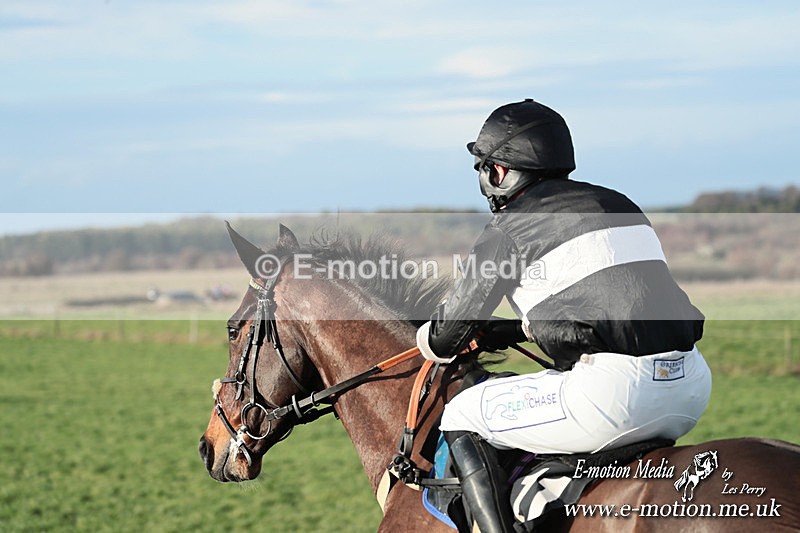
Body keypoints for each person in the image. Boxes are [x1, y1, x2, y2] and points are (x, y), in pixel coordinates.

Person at [415, 99, 711, 533]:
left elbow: (446, 338)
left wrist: (424, 338)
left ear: (499, 172)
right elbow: (613, 305)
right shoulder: (619, 203)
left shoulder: (506, 229)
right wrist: (519, 328)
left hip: (615, 397)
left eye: (485, 168)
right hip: (689, 388)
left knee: (461, 413)